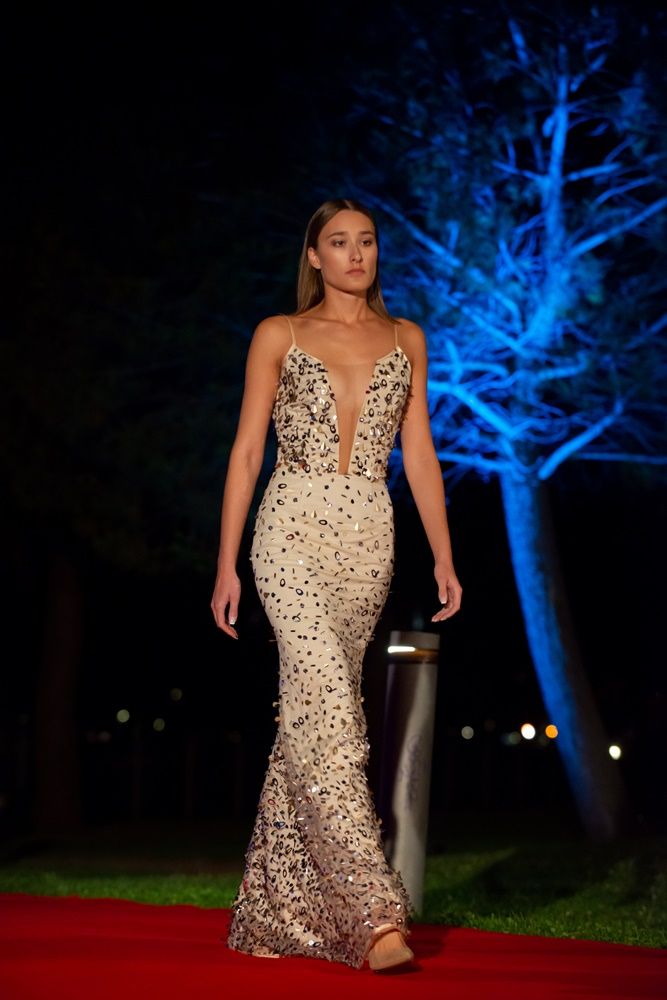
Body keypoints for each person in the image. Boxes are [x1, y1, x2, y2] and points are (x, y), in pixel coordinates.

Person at [210, 197, 462, 972]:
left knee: (311, 718)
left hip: (368, 538)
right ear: (314, 256)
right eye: (339, 242)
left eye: (367, 241)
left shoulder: (406, 338)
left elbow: (419, 452)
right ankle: (375, 915)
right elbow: (246, 452)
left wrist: (444, 556)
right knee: (329, 706)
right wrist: (225, 562)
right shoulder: (278, 334)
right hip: (288, 530)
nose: (356, 254)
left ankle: (272, 915)